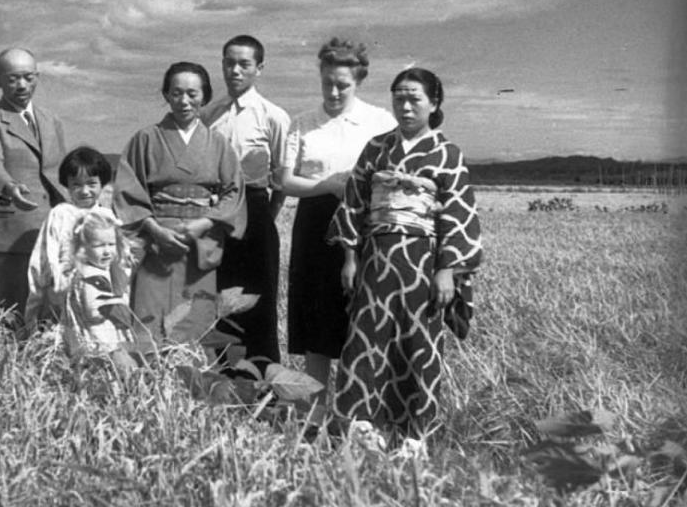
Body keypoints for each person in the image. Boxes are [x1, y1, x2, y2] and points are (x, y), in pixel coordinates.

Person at [328, 67, 483, 453]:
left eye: (415, 98)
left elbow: (459, 215)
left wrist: (447, 269)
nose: (406, 105)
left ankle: (415, 435)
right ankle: (362, 427)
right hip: (376, 258)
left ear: (434, 103)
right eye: (399, 97)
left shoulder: (448, 154)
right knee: (367, 338)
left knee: (419, 342)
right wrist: (350, 256)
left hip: (422, 261)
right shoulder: (376, 148)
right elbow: (354, 204)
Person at [280, 38, 396, 428]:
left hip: (366, 225)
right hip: (315, 224)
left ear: (358, 81)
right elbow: (285, 180)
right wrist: (328, 185)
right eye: (327, 82)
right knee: (316, 320)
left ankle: (357, 415)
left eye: (342, 85)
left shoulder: (381, 121)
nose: (332, 92)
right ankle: (313, 417)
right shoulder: (301, 123)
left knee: (360, 318)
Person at [113, 62, 246, 352]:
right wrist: (153, 228)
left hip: (199, 244)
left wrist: (205, 223)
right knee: (150, 315)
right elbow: (127, 189)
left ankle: (192, 390)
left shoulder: (219, 143)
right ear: (166, 95)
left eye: (192, 94)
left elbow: (233, 192)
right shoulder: (145, 139)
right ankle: (148, 387)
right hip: (156, 243)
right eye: (176, 93)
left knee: (195, 317)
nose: (184, 101)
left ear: (205, 96)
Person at [202, 35, 291, 368]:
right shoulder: (210, 114)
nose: (235, 70)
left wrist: (264, 216)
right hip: (216, 214)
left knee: (259, 300)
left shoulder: (273, 116)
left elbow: (282, 177)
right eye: (229, 62)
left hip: (256, 213)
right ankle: (224, 379)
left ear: (259, 68)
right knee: (221, 297)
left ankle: (264, 386)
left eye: (244, 64)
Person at [0, 47, 67, 335]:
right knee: (14, 313)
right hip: (13, 230)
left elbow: (62, 171)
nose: (22, 85)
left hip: (54, 228)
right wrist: (9, 187)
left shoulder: (52, 120)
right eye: (12, 79)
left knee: (53, 309)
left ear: (37, 77)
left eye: (28, 77)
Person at [23, 146, 116, 329]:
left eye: (91, 184)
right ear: (67, 185)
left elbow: (117, 258)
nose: (84, 191)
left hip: (98, 294)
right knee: (60, 334)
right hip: (63, 292)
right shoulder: (60, 214)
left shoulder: (107, 216)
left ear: (102, 184)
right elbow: (44, 255)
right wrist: (48, 287)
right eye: (76, 185)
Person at [62, 209, 138, 374]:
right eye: (98, 246)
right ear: (83, 247)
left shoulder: (98, 270)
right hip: (100, 340)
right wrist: (119, 304)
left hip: (101, 337)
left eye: (111, 244)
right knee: (110, 371)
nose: (106, 251)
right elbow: (93, 313)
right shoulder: (90, 275)